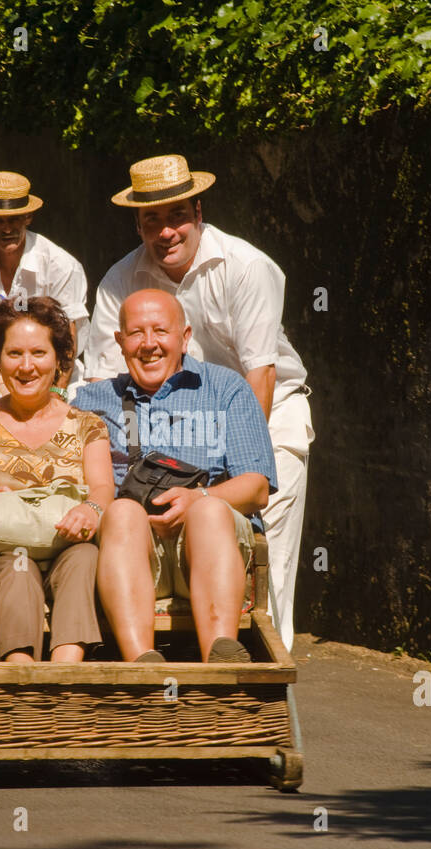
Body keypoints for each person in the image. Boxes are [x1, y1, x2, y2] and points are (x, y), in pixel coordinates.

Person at [85, 154, 313, 652]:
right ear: (138, 223)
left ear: (199, 212)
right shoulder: (118, 280)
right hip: (156, 424)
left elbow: (260, 375)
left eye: (177, 216)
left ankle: (263, 674)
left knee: (261, 555)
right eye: (152, 220)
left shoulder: (248, 267)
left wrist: (217, 476)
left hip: (255, 411)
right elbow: (101, 389)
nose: (166, 231)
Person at [74, 289, 277, 663]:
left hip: (208, 548)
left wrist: (198, 497)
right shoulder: (90, 401)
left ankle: (220, 655)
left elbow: (258, 487)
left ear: (184, 338)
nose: (148, 344)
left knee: (208, 511)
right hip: (129, 552)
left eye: (160, 331)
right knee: (122, 512)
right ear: (119, 342)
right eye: (136, 333)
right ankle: (143, 662)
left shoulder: (226, 388)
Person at [0, 296, 113, 663]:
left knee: (83, 559)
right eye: (14, 354)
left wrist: (91, 509)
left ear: (60, 360)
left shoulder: (87, 425)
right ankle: (21, 679)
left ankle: (65, 677)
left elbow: (104, 487)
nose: (26, 366)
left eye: (39, 354)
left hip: (68, 543)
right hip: (4, 546)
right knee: (17, 570)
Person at [0, 171, 90, 391]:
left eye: (14, 219)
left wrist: (58, 392)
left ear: (29, 217)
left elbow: (68, 338)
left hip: (51, 375)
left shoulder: (61, 265)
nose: (7, 229)